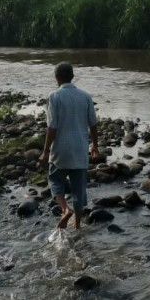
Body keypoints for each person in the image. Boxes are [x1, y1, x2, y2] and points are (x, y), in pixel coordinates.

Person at [39, 62, 99, 229]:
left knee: (55, 180)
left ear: (57, 77)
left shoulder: (54, 96)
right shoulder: (86, 96)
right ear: (72, 77)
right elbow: (93, 124)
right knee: (79, 189)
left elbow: (52, 127)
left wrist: (45, 151)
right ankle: (77, 226)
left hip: (61, 150)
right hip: (80, 149)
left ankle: (66, 209)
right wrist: (95, 146)